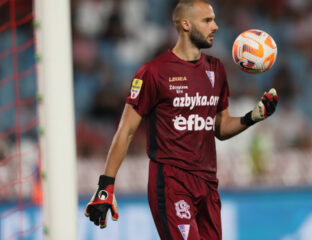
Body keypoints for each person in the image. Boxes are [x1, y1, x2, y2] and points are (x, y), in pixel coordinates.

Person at [84, 0, 278, 239]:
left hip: (208, 184)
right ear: (186, 25)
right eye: (207, 20)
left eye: (215, 19)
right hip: (171, 182)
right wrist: (106, 186)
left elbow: (219, 127)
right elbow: (126, 130)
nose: (216, 26)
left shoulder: (216, 69)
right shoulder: (153, 72)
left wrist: (253, 117)